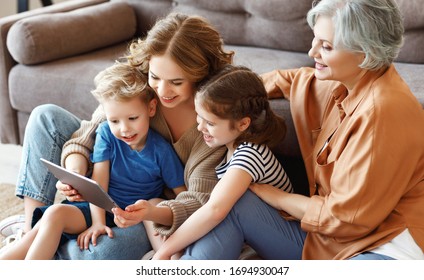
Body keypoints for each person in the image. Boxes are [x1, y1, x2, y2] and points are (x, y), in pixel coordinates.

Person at [179, 0, 424, 260]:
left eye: (326, 46)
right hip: (328, 241)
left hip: (385, 248)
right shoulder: (347, 82)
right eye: (315, 40)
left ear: (364, 53)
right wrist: (226, 101)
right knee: (237, 202)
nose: (312, 51)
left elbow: (344, 220)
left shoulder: (382, 115)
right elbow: (292, 80)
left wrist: (278, 197)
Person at [0, 12, 233, 259]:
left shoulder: (213, 123)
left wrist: (149, 214)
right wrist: (76, 175)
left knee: (102, 253)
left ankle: (49, 240)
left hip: (145, 212)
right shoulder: (137, 82)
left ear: (200, 75)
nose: (162, 90)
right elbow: (90, 134)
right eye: (155, 77)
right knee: (45, 117)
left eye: (176, 82)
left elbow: (195, 201)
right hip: (103, 192)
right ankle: (30, 229)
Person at [0, 61, 186, 259]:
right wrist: (98, 222)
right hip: (101, 208)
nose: (124, 129)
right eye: (115, 120)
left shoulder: (161, 151)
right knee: (52, 217)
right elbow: (98, 185)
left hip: (136, 216)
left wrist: (157, 212)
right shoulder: (106, 132)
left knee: (156, 210)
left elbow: (181, 195)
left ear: (151, 109)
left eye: (132, 118)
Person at [152, 65, 293, 260]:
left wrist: (164, 252)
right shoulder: (228, 150)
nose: (200, 127)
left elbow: (215, 210)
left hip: (294, 245)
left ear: (243, 124)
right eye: (199, 118)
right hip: (256, 237)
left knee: (232, 204)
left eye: (210, 123)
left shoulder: (250, 154)